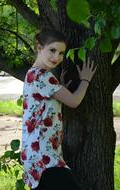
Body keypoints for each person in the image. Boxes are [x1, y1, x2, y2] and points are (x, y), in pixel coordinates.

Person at [21, 28, 97, 190]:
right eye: (52, 50)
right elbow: (74, 101)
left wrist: (60, 86)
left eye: (61, 53)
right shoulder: (43, 76)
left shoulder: (33, 74)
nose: (57, 57)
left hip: (36, 155)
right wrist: (85, 80)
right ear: (39, 47)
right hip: (44, 157)